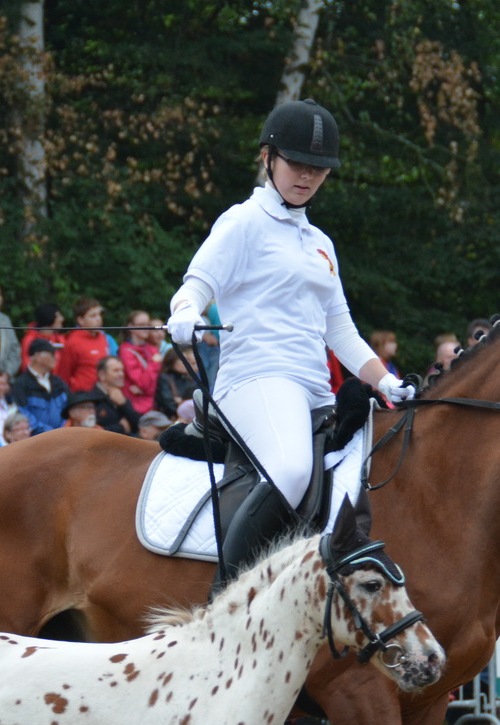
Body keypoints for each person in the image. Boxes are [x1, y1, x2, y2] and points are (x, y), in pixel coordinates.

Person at [163, 100, 412, 586]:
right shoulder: (242, 222)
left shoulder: (320, 242)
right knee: (294, 469)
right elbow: (194, 287)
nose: (308, 176)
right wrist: (185, 315)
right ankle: (226, 599)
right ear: (267, 157)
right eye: (298, 164)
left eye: (318, 168)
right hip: (255, 377)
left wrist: (387, 381)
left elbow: (340, 331)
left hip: (314, 389)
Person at [12, 339, 68, 434]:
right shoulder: (21, 384)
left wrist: (62, 430)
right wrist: (46, 431)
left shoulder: (59, 383)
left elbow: (68, 409)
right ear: (37, 356)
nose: (56, 358)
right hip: (35, 440)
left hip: (62, 437)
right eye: (52, 354)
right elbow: (23, 413)